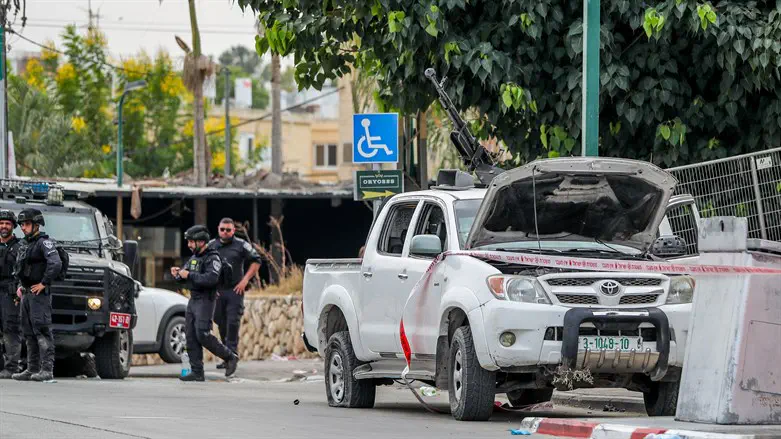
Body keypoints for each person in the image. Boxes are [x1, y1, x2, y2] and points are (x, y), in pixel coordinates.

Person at [172, 225, 239, 381]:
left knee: (202, 334)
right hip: (193, 299)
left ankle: (230, 357)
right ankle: (197, 371)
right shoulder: (194, 258)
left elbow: (211, 279)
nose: (189, 245)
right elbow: (186, 276)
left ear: (201, 242)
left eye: (191, 242)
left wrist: (189, 274)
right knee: (190, 336)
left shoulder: (212, 258)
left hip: (206, 300)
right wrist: (178, 275)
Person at [12, 208, 62, 382]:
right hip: (26, 294)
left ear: (36, 225)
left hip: (39, 295)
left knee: (42, 330)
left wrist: (44, 283)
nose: (23, 228)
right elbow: (22, 268)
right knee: (28, 332)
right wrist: (20, 287)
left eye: (26, 224)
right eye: (21, 225)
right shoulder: (26, 244)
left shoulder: (44, 243)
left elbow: (55, 263)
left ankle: (47, 369)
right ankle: (32, 369)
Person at [209, 218, 261, 370]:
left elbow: (256, 261)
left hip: (234, 291)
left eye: (228, 230)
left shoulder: (241, 245)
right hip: (218, 291)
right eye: (222, 229)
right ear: (218, 229)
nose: (225, 232)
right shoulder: (211, 245)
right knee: (220, 322)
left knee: (232, 323)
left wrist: (245, 281)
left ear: (233, 231)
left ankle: (232, 356)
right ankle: (226, 356)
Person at [0, 210, 22, 379]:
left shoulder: (20, 247)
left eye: (7, 224)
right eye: (1, 223)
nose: (4, 226)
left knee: (10, 329)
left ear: (13, 227)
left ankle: (12, 367)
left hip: (10, 292)